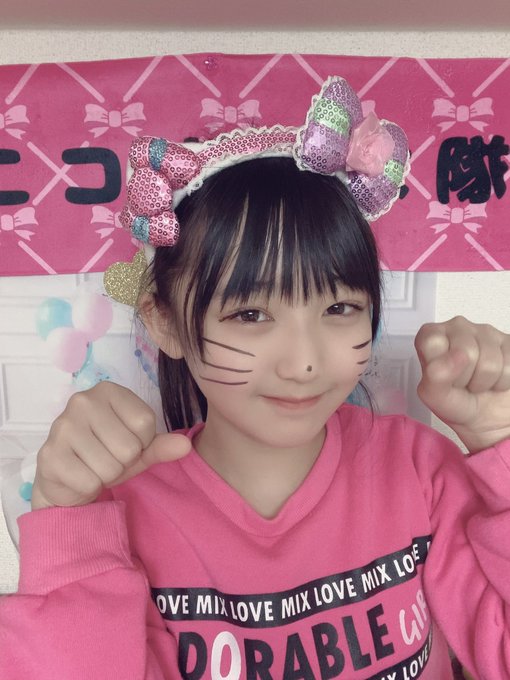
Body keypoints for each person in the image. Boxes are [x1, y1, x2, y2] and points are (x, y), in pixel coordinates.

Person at [0, 76, 509, 680]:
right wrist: (68, 526)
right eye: (250, 315)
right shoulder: (122, 518)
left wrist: (499, 441)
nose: (304, 364)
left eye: (339, 307)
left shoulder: (420, 469)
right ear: (164, 322)